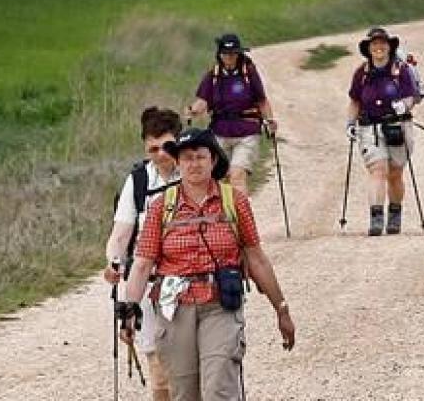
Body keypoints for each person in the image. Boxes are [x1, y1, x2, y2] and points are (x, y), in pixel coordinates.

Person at [122, 129, 295, 401]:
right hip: (174, 308)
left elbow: (256, 258)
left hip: (220, 305)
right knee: (184, 392)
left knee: (218, 389)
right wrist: (130, 309)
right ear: (178, 163)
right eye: (187, 158)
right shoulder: (161, 207)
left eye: (201, 157)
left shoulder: (234, 202)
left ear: (213, 160)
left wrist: (281, 309)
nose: (194, 164)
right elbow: (143, 264)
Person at [103, 106, 185, 401]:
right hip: (147, 281)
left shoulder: (194, 171)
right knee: (158, 365)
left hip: (189, 280)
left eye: (167, 146)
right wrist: (114, 261)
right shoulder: (138, 182)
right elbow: (121, 234)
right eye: (153, 149)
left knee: (189, 364)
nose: (161, 154)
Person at [346, 26, 423, 236]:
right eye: (374, 44)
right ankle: (376, 218)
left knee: (395, 174)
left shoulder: (401, 70)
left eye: (382, 43)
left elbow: (411, 97)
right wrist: (350, 123)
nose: (378, 47)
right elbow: (355, 101)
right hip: (369, 128)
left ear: (389, 47)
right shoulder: (361, 73)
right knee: (377, 170)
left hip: (397, 126)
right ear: (368, 48)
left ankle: (395, 214)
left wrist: (403, 106)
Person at [185, 34, 276, 193]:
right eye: (226, 53)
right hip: (220, 132)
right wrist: (192, 110)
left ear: (239, 53)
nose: (229, 57)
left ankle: (240, 209)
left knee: (237, 174)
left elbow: (262, 100)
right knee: (220, 178)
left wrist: (270, 121)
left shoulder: (248, 72)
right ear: (219, 55)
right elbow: (203, 102)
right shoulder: (213, 75)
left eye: (233, 53)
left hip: (247, 131)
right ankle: (225, 209)